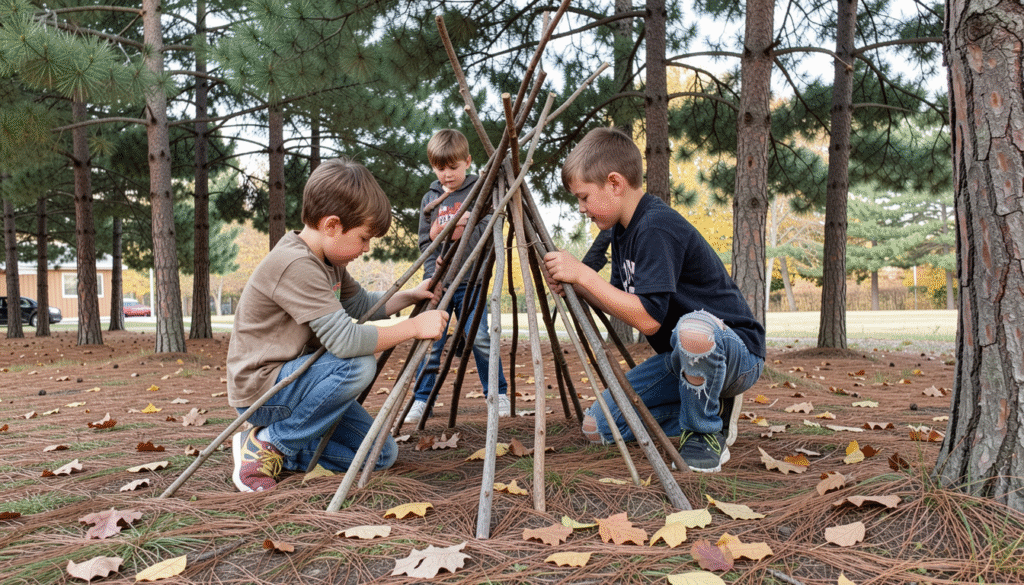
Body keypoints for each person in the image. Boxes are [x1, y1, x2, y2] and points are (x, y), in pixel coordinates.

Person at [543, 127, 765, 473]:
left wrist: (585, 275)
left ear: (614, 184)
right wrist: (580, 286)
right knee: (598, 428)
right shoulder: (621, 231)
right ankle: (712, 409)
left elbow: (648, 319)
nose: (582, 209)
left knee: (693, 328)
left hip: (732, 351)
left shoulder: (655, 227)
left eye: (584, 197)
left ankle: (703, 433)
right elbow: (622, 300)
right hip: (680, 358)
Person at [226, 157, 450, 492]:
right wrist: (414, 327)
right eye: (362, 238)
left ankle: (262, 446)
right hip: (264, 389)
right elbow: (345, 342)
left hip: (300, 381)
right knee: (356, 364)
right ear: (332, 225)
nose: (366, 248)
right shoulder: (295, 264)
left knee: (380, 454)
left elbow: (360, 306)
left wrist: (411, 295)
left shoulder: (327, 262)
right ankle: (271, 443)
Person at [404, 129, 510, 424]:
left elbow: (490, 230)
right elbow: (426, 244)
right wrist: (431, 280)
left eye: (453, 167)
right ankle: (422, 399)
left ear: (467, 161)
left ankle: (497, 393)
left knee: (481, 339)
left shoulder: (479, 191)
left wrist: (467, 222)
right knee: (432, 342)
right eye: (440, 168)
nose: (447, 175)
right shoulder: (431, 198)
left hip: (471, 282)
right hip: (442, 284)